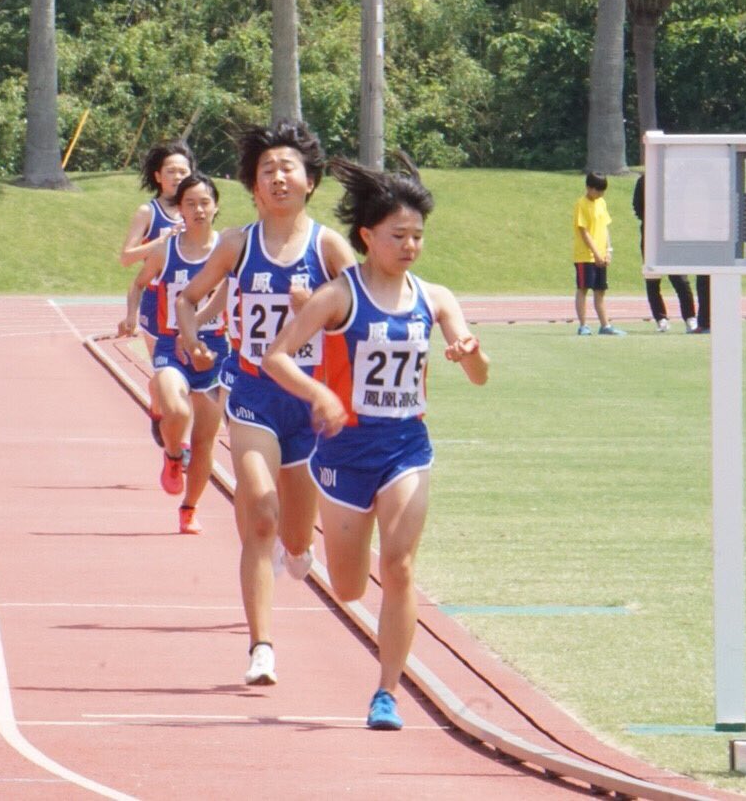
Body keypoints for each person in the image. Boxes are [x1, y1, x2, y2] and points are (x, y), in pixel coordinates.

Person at [263, 157, 488, 731]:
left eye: (417, 236)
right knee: (348, 584)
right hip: (344, 454)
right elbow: (277, 356)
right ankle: (322, 552)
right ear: (367, 236)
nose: (410, 246)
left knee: (401, 564)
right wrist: (321, 395)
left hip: (406, 446)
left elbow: (479, 372)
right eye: (398, 236)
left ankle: (386, 693)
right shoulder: (338, 296)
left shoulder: (435, 297)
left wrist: (470, 354)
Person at [175, 121, 356, 687]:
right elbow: (187, 295)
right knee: (259, 514)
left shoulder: (328, 247)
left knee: (298, 540)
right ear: (253, 186)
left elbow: (361, 320)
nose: (278, 178)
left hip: (306, 403)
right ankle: (262, 648)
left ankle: (297, 553)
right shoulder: (236, 244)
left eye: (288, 168)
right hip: (251, 393)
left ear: (310, 181)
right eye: (266, 171)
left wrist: (319, 309)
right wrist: (191, 335)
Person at [120, 173, 228, 534]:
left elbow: (229, 296)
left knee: (205, 440)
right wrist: (132, 315)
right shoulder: (166, 250)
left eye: (204, 203)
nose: (198, 209)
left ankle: (189, 508)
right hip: (171, 345)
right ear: (179, 209)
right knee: (178, 408)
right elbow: (137, 284)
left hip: (215, 352)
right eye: (190, 203)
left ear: (216, 207)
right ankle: (170, 455)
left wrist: (198, 326)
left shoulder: (228, 251)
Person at [118, 140, 194, 353]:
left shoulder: (198, 210)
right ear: (158, 176)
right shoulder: (148, 212)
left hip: (190, 298)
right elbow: (126, 258)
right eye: (171, 171)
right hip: (157, 299)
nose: (178, 177)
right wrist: (162, 240)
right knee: (162, 372)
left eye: (183, 171)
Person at [631, 174, 697, 333]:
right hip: (650, 235)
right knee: (652, 279)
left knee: (680, 279)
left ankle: (690, 318)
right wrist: (650, 220)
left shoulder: (674, 179)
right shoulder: (644, 180)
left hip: (672, 235)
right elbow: (637, 205)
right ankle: (661, 319)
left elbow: (683, 204)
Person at [573, 172, 623, 336]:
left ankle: (605, 325)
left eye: (603, 191)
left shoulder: (601, 203)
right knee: (583, 288)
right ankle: (583, 325)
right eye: (598, 190)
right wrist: (596, 253)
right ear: (589, 187)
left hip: (601, 255)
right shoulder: (581, 204)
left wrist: (608, 250)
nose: (601, 194)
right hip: (585, 256)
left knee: (600, 290)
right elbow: (584, 232)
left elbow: (605, 227)